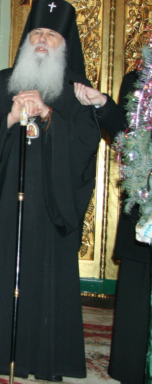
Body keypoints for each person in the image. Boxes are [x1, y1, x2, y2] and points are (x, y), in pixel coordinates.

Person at [0, 0, 101, 381]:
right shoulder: (3, 81)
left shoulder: (76, 90)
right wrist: (9, 116)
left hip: (49, 204)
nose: (41, 40)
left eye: (51, 35)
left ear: (64, 44)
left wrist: (49, 115)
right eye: (36, 32)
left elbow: (88, 140)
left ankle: (43, 359)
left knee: (44, 275)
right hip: (5, 196)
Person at [74, 72, 150, 384]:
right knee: (139, 281)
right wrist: (103, 103)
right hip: (145, 199)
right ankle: (132, 367)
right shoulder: (139, 78)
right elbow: (125, 134)